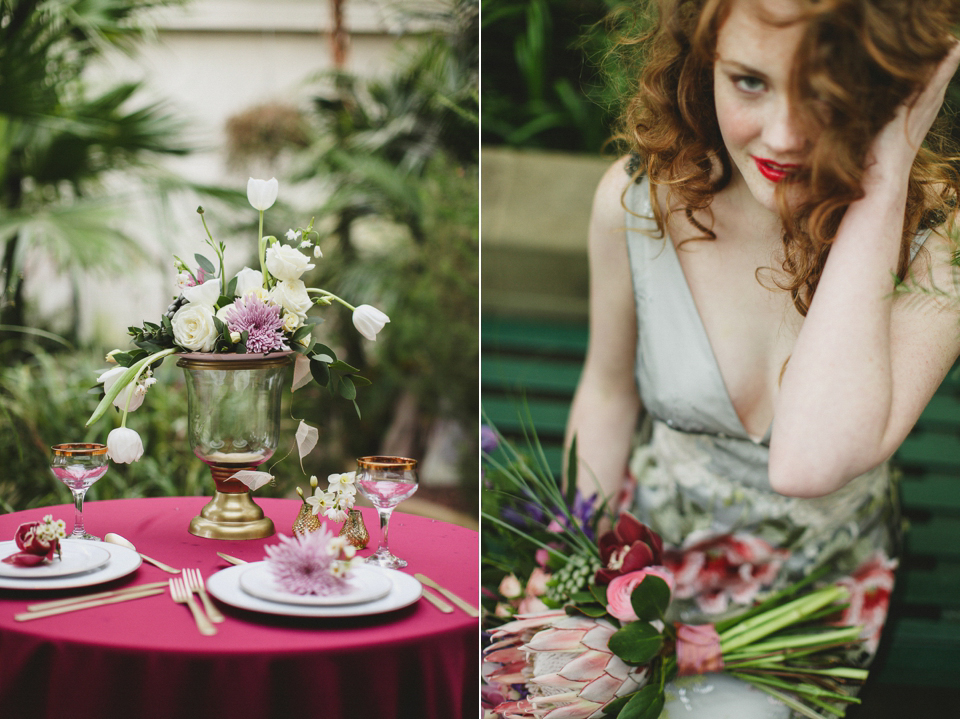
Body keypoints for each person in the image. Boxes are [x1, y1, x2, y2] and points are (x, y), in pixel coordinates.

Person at [565, 0, 960, 714]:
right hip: (639, 573)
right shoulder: (637, 201)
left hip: (807, 608)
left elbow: (805, 461)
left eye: (824, 93)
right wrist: (562, 563)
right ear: (703, 57)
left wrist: (887, 169)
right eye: (749, 81)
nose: (782, 135)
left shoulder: (940, 243)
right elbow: (607, 391)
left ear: (893, 85)